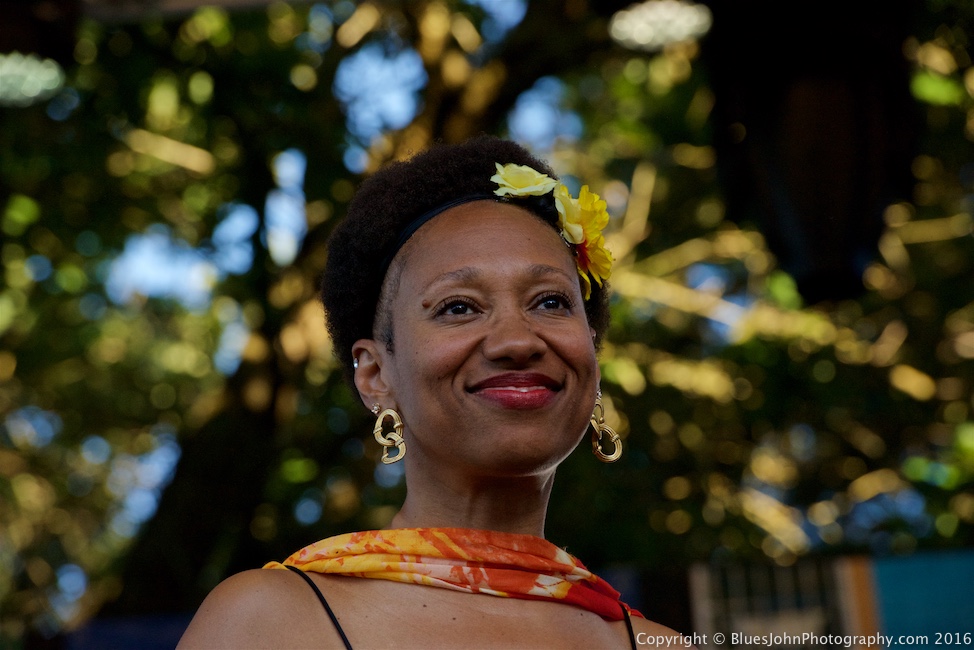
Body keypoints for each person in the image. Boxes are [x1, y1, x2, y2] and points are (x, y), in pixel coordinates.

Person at [178, 136, 688, 649]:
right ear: (376, 374)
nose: (516, 340)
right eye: (459, 308)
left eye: (551, 301)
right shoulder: (269, 623)